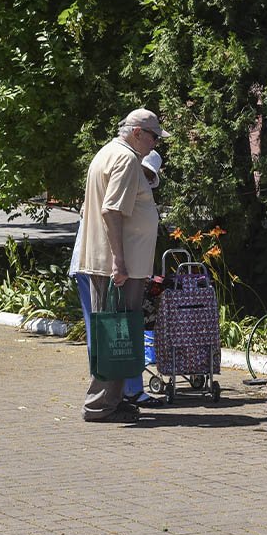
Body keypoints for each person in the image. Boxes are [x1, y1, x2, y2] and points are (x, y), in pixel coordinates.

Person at [75, 108, 170, 422]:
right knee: (116, 335)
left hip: (114, 264)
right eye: (154, 137)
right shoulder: (127, 159)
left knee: (119, 334)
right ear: (138, 132)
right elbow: (112, 210)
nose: (156, 144)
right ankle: (100, 404)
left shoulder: (109, 153)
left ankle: (112, 400)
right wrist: (119, 261)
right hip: (117, 266)